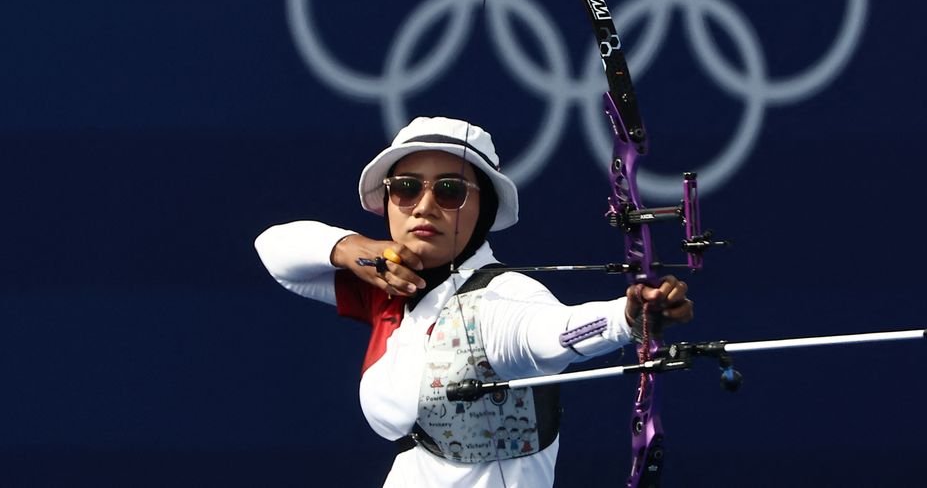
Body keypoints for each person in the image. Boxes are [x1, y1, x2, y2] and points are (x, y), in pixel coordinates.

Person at [255, 116, 693, 488]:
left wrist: (627, 316)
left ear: (484, 208)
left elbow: (551, 334)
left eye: (450, 192)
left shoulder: (501, 297)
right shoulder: (392, 288)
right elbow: (274, 251)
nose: (424, 206)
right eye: (406, 187)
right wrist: (354, 248)